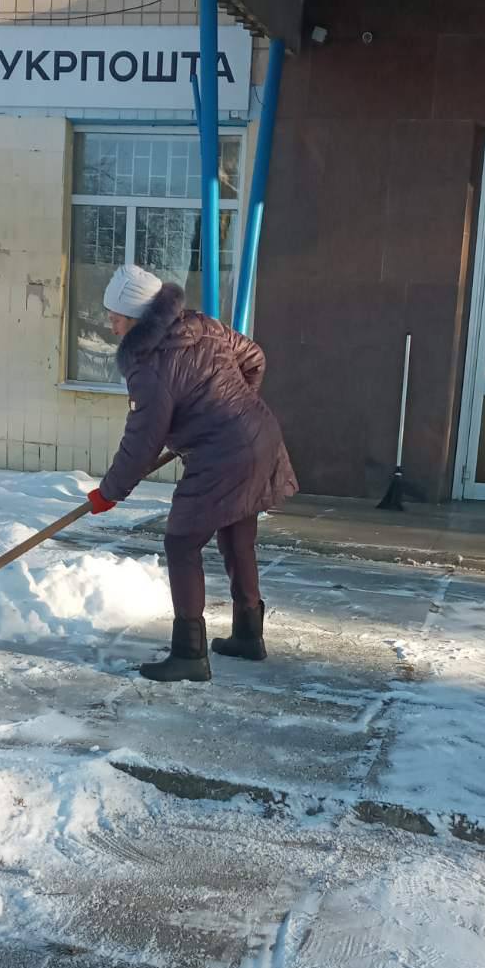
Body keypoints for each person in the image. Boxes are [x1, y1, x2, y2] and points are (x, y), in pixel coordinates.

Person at [88, 264, 297, 683]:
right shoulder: (204, 326)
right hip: (260, 435)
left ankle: (188, 654)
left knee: (181, 542)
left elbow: (141, 444)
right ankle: (248, 635)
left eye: (116, 319)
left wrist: (109, 492)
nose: (112, 328)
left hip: (223, 455)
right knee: (237, 535)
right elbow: (255, 357)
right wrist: (235, 408)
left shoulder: (148, 366)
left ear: (137, 318)